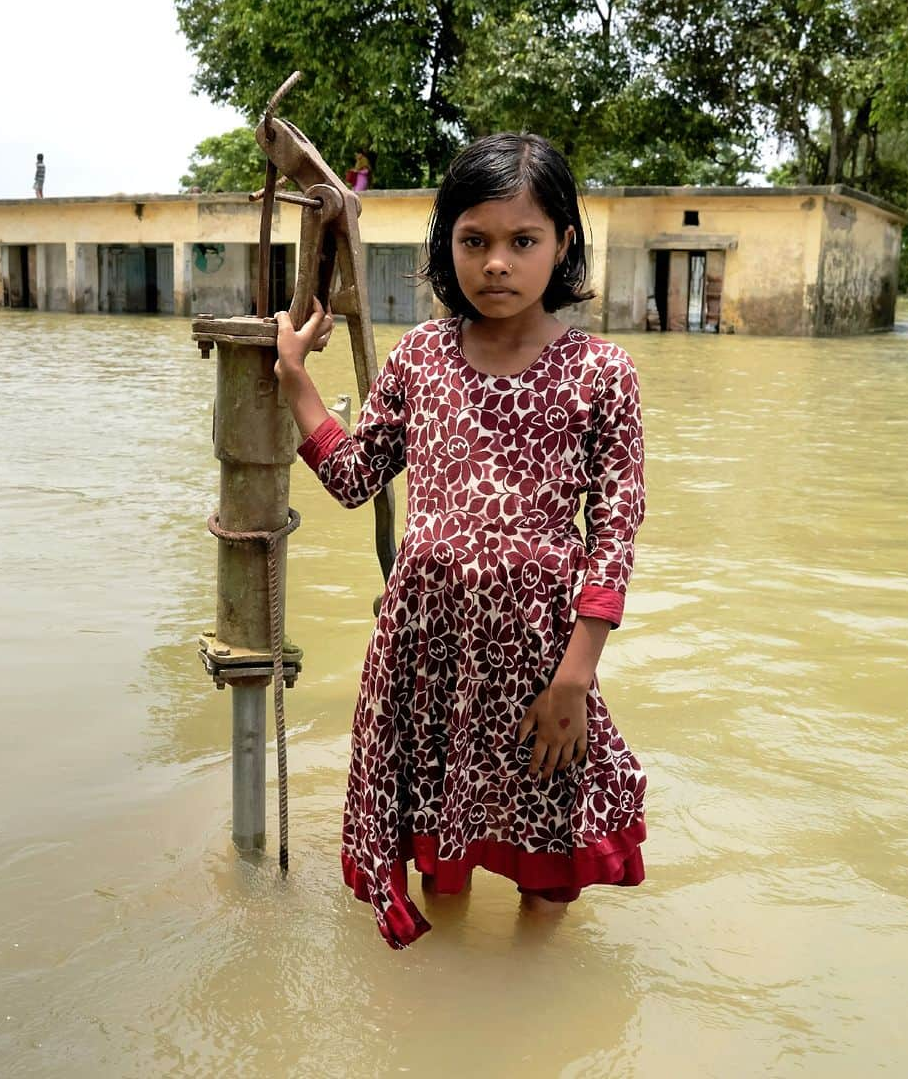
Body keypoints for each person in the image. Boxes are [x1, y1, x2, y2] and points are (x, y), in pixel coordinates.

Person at [274, 133, 647, 949]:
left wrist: (574, 680)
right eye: (474, 241)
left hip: (541, 661)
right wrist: (295, 381)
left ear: (564, 245)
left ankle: (525, 1007)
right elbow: (353, 477)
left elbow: (614, 532)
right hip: (426, 653)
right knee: (439, 846)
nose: (497, 265)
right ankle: (441, 1010)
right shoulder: (420, 359)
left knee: (549, 846)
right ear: (448, 243)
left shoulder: (601, 373)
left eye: (523, 241)